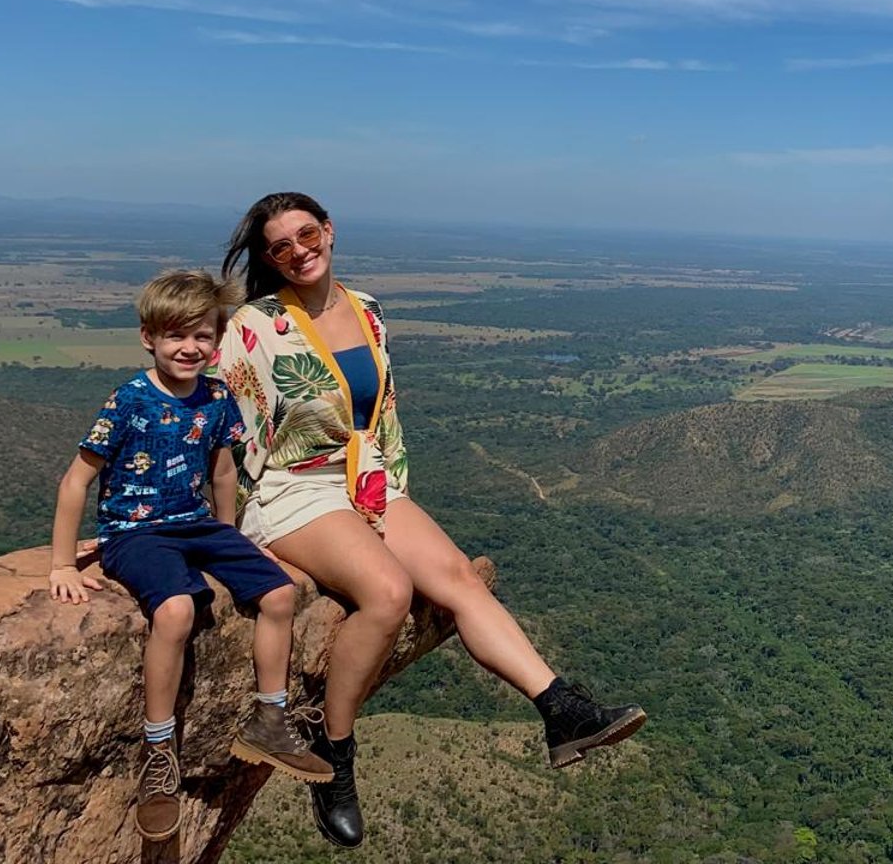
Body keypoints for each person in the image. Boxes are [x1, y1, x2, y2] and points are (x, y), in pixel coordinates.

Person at [218, 191, 645, 850]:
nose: (299, 251)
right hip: (292, 488)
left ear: (329, 231)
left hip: (366, 481)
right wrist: (223, 530)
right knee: (389, 592)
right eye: (282, 246)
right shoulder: (256, 324)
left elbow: (382, 411)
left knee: (460, 579)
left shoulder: (366, 309)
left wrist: (394, 493)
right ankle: (334, 755)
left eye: (308, 235)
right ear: (270, 259)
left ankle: (561, 710)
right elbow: (222, 423)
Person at [48, 268, 334, 843]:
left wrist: (228, 538)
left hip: (197, 524)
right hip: (135, 533)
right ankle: (159, 755)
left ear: (217, 339)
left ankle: (270, 719)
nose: (189, 347)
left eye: (202, 335)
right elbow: (77, 480)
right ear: (148, 337)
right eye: (176, 335)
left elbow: (222, 470)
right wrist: (61, 563)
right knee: (176, 610)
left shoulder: (217, 396)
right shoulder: (130, 399)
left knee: (280, 593)